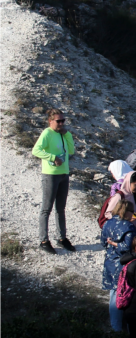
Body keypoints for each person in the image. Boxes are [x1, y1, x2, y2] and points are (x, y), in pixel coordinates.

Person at [32, 108, 75, 254]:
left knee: (60, 208)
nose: (61, 123)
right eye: (58, 121)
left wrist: (67, 134)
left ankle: (62, 237)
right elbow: (36, 150)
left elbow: (71, 151)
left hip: (64, 173)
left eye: (63, 121)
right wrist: (52, 157)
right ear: (50, 121)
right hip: (50, 175)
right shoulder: (47, 133)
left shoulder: (63, 134)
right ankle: (43, 240)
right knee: (47, 208)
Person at [101, 200, 136, 331]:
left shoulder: (107, 223)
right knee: (121, 295)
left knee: (113, 292)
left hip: (109, 261)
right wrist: (117, 244)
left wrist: (111, 244)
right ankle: (117, 328)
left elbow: (103, 242)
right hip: (122, 263)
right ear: (126, 211)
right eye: (132, 211)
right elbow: (128, 246)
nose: (133, 214)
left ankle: (115, 324)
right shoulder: (128, 226)